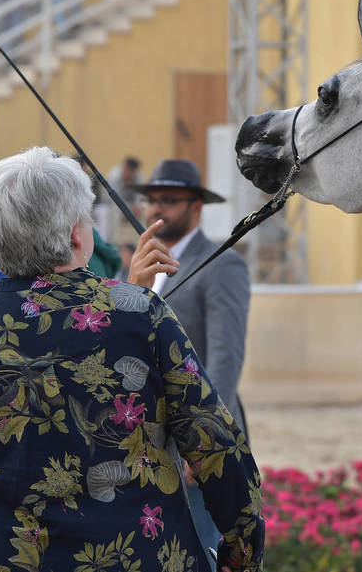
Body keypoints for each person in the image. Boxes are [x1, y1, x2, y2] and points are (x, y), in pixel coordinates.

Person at [0, 147, 263, 571]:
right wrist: (243, 554)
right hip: (144, 554)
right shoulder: (142, 313)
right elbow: (217, 445)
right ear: (75, 234)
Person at [127, 159, 251, 567]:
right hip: (144, 442)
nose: (156, 208)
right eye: (151, 199)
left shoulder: (221, 263)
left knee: (200, 549)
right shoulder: (136, 264)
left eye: (170, 200)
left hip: (197, 442)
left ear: (196, 206)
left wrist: (205, 442)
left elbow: (225, 356)